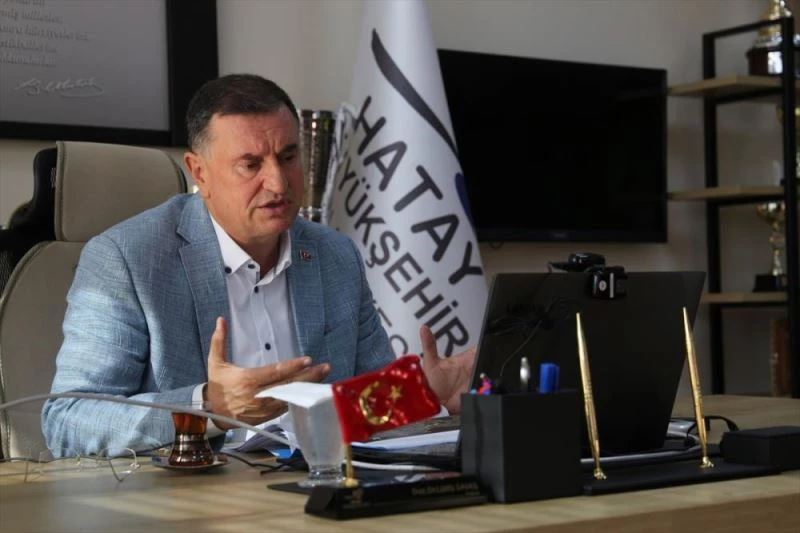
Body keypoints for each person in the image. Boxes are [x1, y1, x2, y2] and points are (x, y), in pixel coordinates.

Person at [42, 74, 476, 456]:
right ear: (200, 172)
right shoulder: (126, 260)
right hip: (192, 501)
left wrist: (421, 395)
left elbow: (362, 409)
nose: (278, 182)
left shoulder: (336, 256)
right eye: (250, 164)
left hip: (315, 486)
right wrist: (209, 406)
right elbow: (68, 421)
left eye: (288, 157)